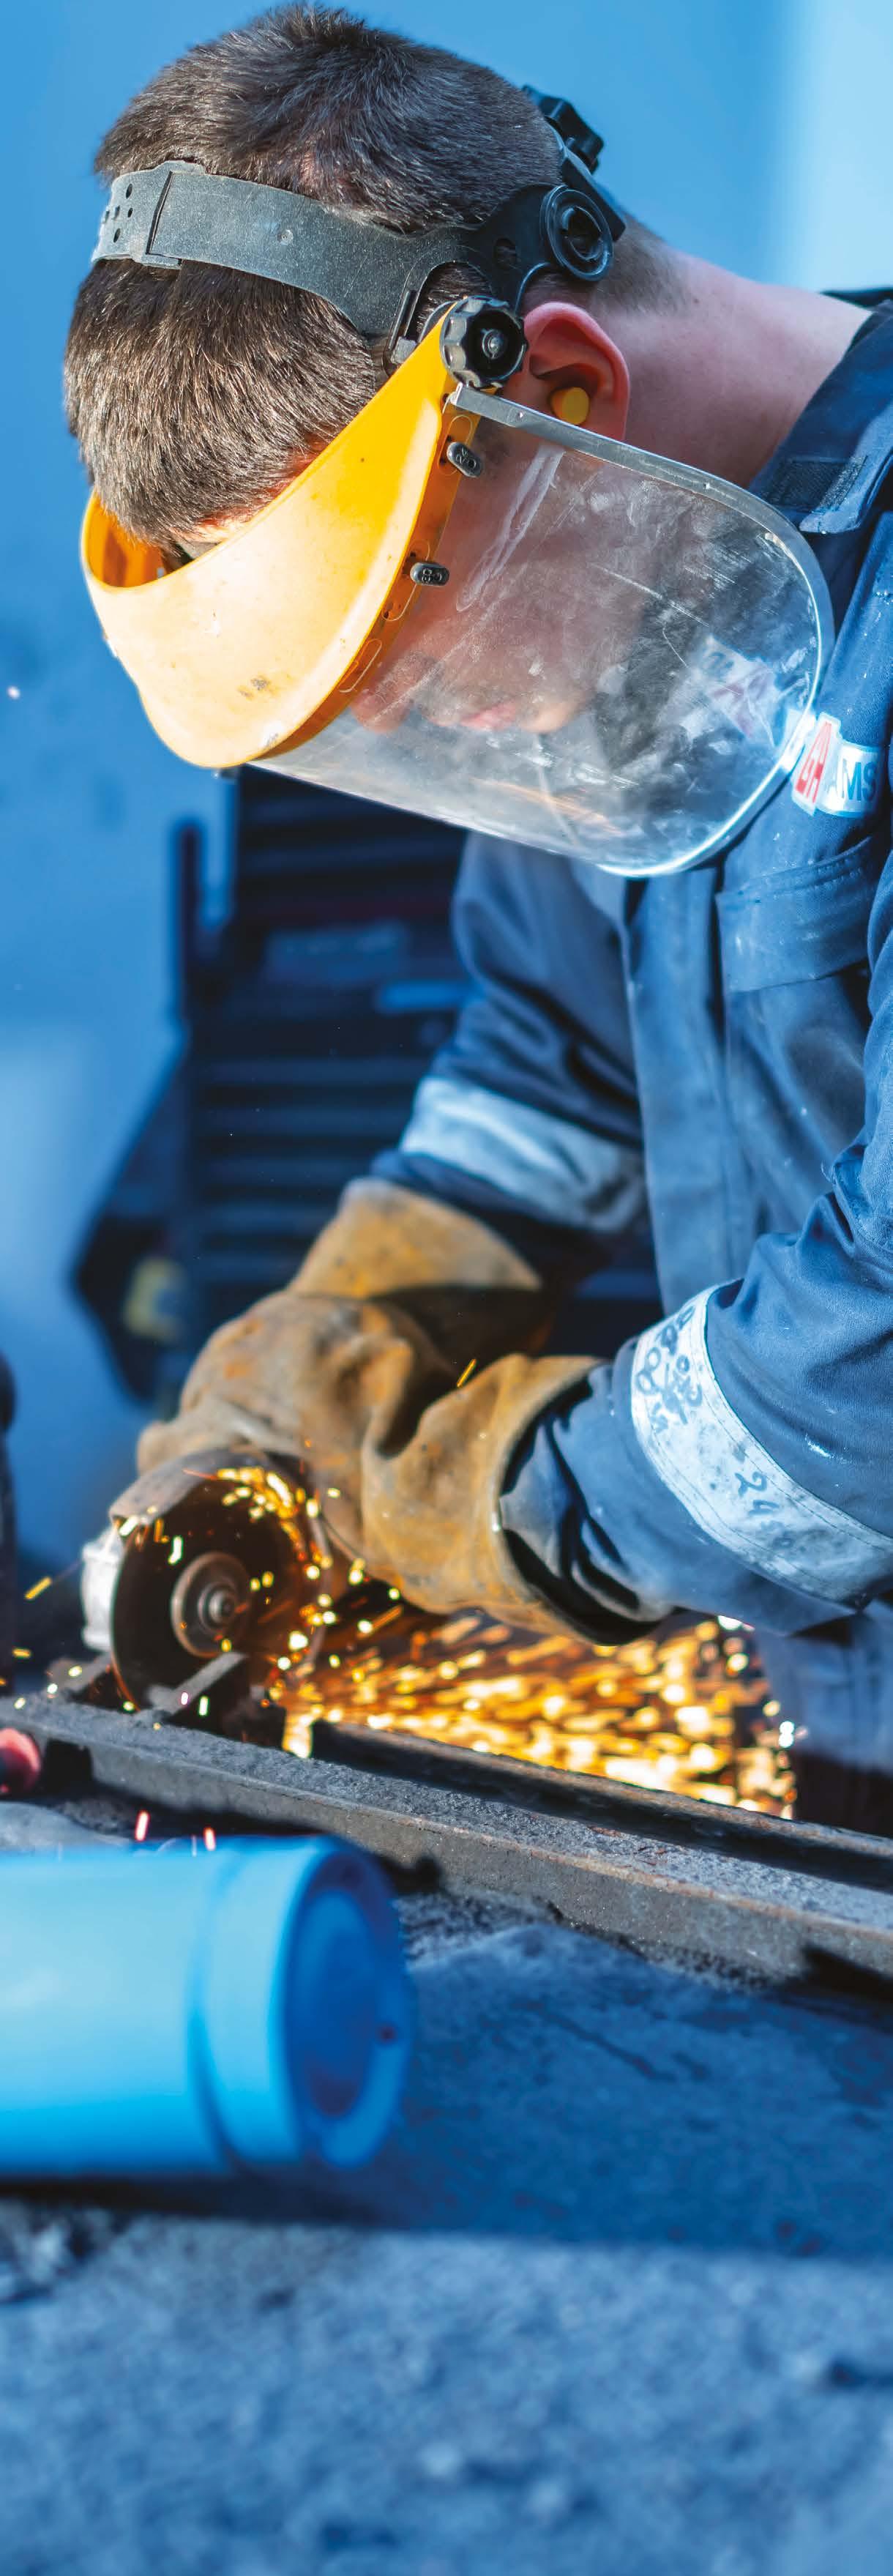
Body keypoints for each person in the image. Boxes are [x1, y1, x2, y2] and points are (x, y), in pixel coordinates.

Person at [65, 7, 893, 1830]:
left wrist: (484, 1503)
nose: (467, 736)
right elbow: (550, 1065)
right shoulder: (635, 589)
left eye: (432, 677)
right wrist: (327, 1340)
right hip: (840, 1737)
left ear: (567, 393)